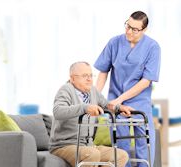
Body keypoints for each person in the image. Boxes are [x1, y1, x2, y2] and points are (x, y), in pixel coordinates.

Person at [94, 11, 161, 167]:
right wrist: (95, 95)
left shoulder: (152, 47)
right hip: (115, 104)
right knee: (120, 148)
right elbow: (103, 71)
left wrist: (120, 99)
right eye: (127, 26)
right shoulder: (114, 43)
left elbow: (146, 81)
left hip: (139, 103)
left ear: (144, 30)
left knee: (144, 144)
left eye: (134, 29)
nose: (129, 31)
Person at [49, 61, 134, 167]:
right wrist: (85, 108)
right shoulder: (66, 90)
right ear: (72, 78)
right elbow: (58, 111)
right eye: (85, 76)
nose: (89, 79)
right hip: (64, 146)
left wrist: (119, 108)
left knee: (121, 156)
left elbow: (106, 105)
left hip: (88, 145)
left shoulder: (93, 91)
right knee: (91, 154)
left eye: (90, 75)